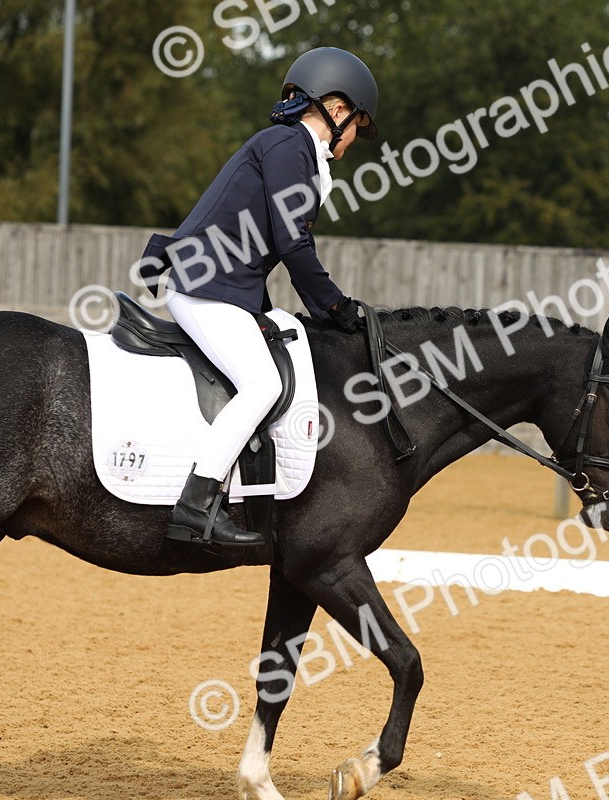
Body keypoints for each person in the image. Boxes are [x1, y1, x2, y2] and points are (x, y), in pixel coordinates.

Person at [139, 47, 377, 550]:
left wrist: (267, 311)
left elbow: (256, 243)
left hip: (225, 286)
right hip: (204, 289)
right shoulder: (289, 147)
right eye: (357, 125)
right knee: (262, 384)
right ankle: (196, 504)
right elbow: (292, 242)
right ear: (337, 111)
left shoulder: (290, 148)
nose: (355, 139)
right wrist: (335, 307)